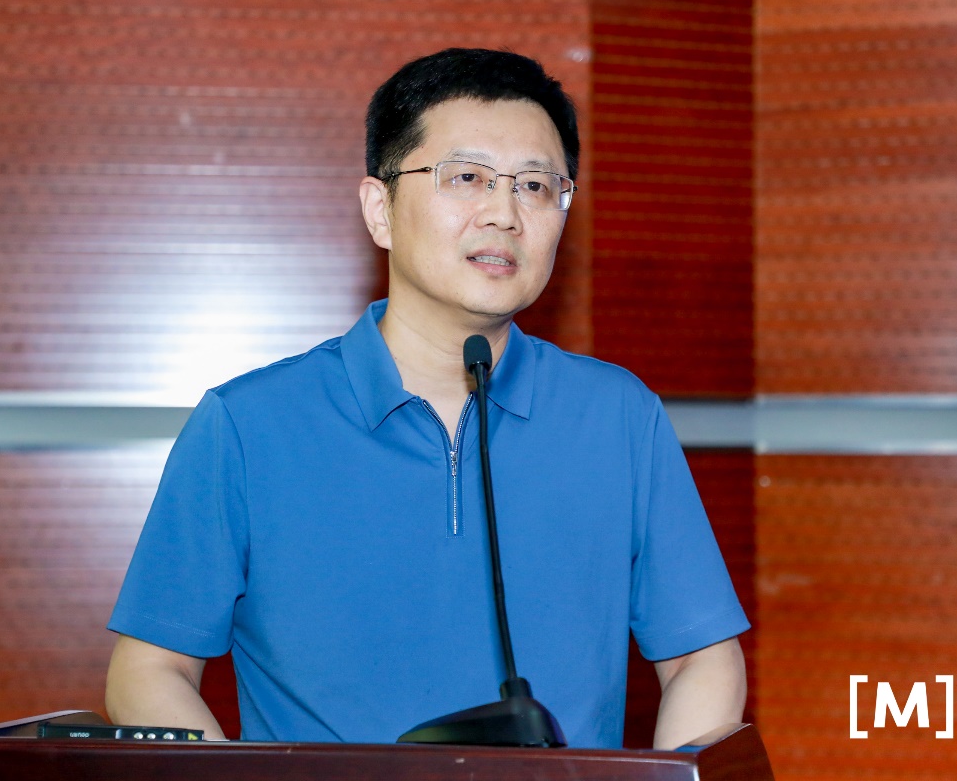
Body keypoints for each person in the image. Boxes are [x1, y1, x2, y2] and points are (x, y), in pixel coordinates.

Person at [104, 48, 749, 749]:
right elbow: (151, 669)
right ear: (380, 209)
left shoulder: (618, 418)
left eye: (536, 186)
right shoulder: (248, 426)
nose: (504, 213)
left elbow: (701, 659)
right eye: (467, 177)